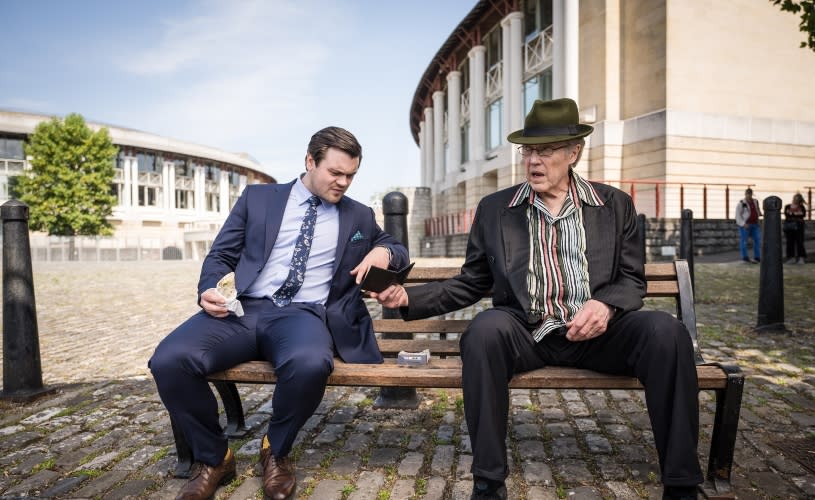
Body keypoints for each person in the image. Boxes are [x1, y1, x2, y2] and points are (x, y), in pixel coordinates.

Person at [374, 98, 703, 500]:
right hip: (529, 333)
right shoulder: (497, 209)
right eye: (528, 150)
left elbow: (632, 279)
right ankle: (488, 484)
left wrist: (607, 305)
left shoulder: (614, 205)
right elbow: (472, 281)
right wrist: (408, 296)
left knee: (667, 333)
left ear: (573, 153)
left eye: (545, 151)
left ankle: (683, 486)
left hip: (598, 334)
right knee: (484, 332)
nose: (533, 160)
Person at [149, 126, 409, 500]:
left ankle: (276, 449)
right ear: (309, 161)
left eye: (350, 175)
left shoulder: (359, 215)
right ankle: (214, 457)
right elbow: (222, 254)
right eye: (335, 172)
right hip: (244, 309)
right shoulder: (259, 199)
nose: (343, 182)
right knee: (169, 360)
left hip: (303, 315)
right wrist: (208, 288)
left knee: (310, 363)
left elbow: (395, 248)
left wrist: (383, 253)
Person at [735, 188, 762, 263]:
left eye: (750, 194)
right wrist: (743, 224)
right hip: (746, 225)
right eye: (748, 194)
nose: (749, 196)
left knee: (757, 240)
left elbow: (757, 210)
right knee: (744, 241)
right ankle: (745, 257)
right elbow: (738, 216)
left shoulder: (755, 201)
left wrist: (759, 214)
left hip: (755, 224)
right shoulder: (741, 203)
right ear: (745, 194)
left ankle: (757, 257)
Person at [783, 193, 807, 264]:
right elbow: (787, 214)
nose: (795, 200)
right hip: (789, 227)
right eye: (795, 198)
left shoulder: (801, 207)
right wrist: (796, 215)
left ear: (799, 200)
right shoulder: (787, 206)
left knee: (800, 242)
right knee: (790, 242)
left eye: (797, 198)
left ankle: (801, 258)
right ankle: (791, 258)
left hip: (799, 227)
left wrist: (792, 214)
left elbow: (803, 215)